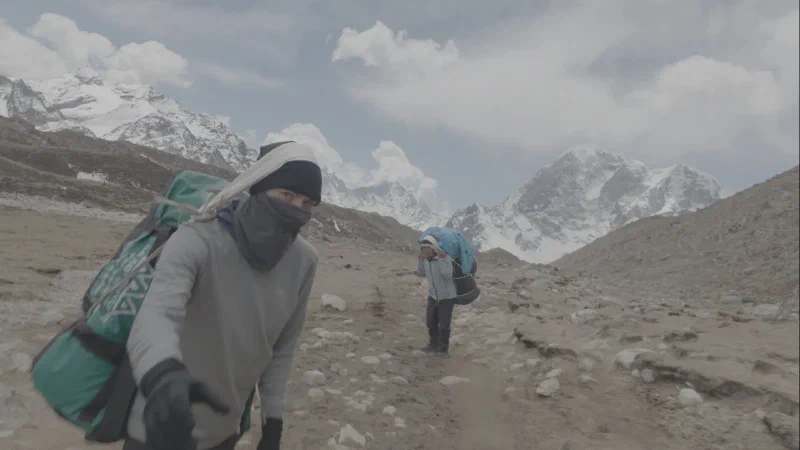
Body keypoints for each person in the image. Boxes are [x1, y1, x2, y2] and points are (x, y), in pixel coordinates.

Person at [123, 141, 322, 450]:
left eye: (307, 203)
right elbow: (157, 313)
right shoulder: (198, 237)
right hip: (158, 424)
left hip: (224, 432)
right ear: (259, 188)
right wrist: (162, 375)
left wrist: (273, 419)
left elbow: (282, 348)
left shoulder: (304, 261)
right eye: (286, 195)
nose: (295, 209)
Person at [417, 235, 458, 358]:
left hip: (446, 297)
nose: (425, 251)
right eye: (423, 249)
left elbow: (447, 275)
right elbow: (421, 273)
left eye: (427, 249)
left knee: (444, 324)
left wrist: (442, 259)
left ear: (433, 248)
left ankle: (443, 350)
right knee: (431, 322)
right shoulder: (426, 260)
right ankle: (433, 344)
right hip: (433, 295)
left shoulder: (445, 258)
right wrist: (420, 260)